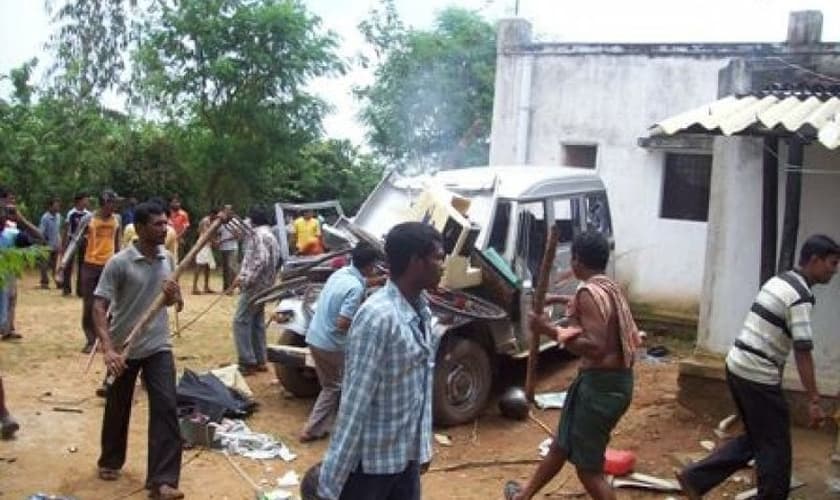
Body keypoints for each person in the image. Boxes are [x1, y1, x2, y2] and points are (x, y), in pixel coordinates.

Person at [676, 234, 840, 499]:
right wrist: (813, 399)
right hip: (757, 375)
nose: (834, 270)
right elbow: (803, 351)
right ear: (814, 260)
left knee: (757, 437)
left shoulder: (780, 280)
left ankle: (695, 478)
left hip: (737, 365)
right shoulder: (800, 297)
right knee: (776, 447)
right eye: (832, 263)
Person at [505, 231, 640, 500]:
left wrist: (549, 330)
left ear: (576, 260)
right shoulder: (608, 287)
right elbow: (594, 314)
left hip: (601, 389)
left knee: (588, 471)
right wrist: (558, 300)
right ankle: (524, 495)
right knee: (561, 445)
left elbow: (595, 346)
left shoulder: (590, 293)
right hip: (603, 384)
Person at [317, 222, 444, 500]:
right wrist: (331, 482)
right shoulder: (377, 318)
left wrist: (421, 449)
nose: (442, 265)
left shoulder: (422, 311)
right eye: (437, 257)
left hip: (404, 459)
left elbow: (420, 390)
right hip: (371, 467)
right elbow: (354, 403)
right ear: (415, 261)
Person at [93, 201, 184, 500]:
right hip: (124, 347)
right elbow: (99, 305)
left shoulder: (168, 259)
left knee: (166, 407)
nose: (164, 229)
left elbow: (172, 302)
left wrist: (172, 297)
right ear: (141, 228)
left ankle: (162, 482)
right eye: (158, 224)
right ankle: (110, 459)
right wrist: (108, 349)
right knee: (118, 405)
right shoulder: (119, 262)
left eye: (165, 223)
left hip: (159, 345)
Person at [300, 242, 383, 443]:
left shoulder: (341, 274)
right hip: (332, 344)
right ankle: (314, 430)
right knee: (345, 386)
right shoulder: (355, 287)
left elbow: (361, 283)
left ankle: (319, 428)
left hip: (315, 337)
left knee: (330, 385)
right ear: (370, 265)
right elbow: (343, 322)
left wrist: (381, 281)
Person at [59, 190, 121, 353]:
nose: (114, 206)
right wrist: (64, 262)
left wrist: (120, 261)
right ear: (105, 204)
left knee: (109, 304)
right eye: (112, 203)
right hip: (90, 264)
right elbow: (76, 240)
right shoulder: (89, 219)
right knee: (89, 304)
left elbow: (118, 242)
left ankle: (107, 339)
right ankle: (90, 339)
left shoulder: (117, 219)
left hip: (109, 265)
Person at [232, 205, 279, 375]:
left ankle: (247, 361)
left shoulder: (257, 235)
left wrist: (244, 278)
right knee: (256, 321)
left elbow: (260, 260)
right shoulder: (270, 235)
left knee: (241, 320)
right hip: (266, 284)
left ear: (252, 220)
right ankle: (260, 359)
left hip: (255, 285)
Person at [61, 193, 91, 297]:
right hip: (72, 239)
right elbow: (66, 228)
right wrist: (64, 244)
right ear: (79, 201)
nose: (87, 202)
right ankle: (66, 288)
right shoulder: (71, 213)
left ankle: (80, 290)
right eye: (85, 200)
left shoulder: (88, 214)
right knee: (68, 264)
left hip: (84, 240)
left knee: (82, 265)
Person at [192, 208, 219, 295]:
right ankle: (194, 287)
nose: (215, 217)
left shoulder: (212, 221)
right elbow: (206, 233)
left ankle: (206, 286)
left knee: (207, 266)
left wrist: (213, 242)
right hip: (202, 245)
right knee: (199, 264)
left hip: (207, 245)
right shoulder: (206, 221)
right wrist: (214, 242)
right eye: (214, 215)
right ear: (211, 214)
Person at [38, 197, 62, 289]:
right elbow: (41, 232)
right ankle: (44, 282)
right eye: (55, 206)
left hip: (55, 244)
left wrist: (60, 243)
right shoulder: (45, 218)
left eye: (58, 206)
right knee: (44, 265)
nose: (57, 208)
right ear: (50, 207)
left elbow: (58, 230)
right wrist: (43, 243)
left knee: (56, 266)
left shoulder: (59, 216)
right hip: (46, 245)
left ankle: (58, 282)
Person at [217, 205, 240, 293]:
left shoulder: (235, 222)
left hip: (232, 247)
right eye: (226, 210)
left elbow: (237, 235)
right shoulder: (220, 222)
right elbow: (218, 233)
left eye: (229, 210)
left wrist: (223, 240)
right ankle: (226, 287)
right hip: (223, 248)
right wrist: (218, 241)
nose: (227, 212)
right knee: (225, 269)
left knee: (232, 268)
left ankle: (232, 287)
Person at [168, 195, 190, 260]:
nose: (177, 204)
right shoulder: (167, 213)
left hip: (179, 238)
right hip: (167, 237)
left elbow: (186, 227)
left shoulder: (184, 214)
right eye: (174, 202)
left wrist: (179, 237)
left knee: (177, 256)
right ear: (170, 203)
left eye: (178, 202)